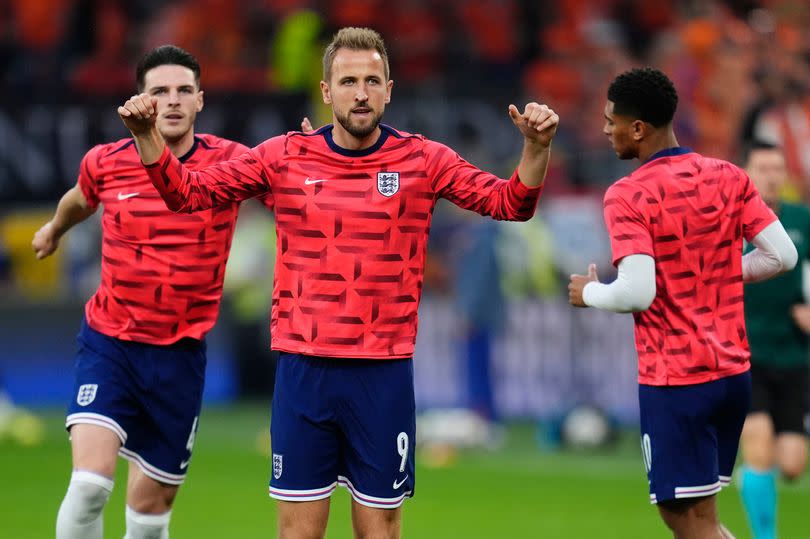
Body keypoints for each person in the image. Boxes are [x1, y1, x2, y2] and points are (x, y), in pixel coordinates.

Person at [117, 26, 558, 539]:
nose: (361, 92)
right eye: (348, 81)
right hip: (305, 373)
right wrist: (147, 136)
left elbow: (511, 203)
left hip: (383, 375)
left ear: (390, 89)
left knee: (380, 531)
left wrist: (535, 148)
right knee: (299, 533)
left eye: (373, 80)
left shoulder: (424, 160)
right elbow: (187, 194)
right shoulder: (283, 156)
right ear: (326, 91)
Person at [32, 45, 265, 539]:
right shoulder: (107, 162)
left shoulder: (232, 163)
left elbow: (292, 190)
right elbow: (80, 199)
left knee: (149, 510)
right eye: (160, 91)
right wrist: (54, 229)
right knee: (91, 485)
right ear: (140, 100)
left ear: (201, 100)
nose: (173, 101)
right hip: (110, 343)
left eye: (184, 91)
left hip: (179, 357)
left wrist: (319, 155)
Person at [567, 67, 797, 539]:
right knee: (702, 520)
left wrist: (588, 293)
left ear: (638, 129)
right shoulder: (728, 176)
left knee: (686, 522)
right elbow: (783, 255)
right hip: (733, 374)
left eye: (612, 120)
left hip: (677, 380)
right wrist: (726, 271)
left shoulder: (629, 195)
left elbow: (637, 291)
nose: (605, 128)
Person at [738, 140, 810, 539]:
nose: (772, 175)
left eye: (778, 168)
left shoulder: (802, 220)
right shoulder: (731, 222)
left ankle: (750, 477)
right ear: (746, 172)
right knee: (760, 444)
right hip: (746, 355)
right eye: (763, 167)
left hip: (794, 355)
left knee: (794, 465)